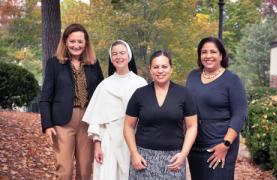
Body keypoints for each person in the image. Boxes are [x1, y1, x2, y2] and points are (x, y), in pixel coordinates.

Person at [39, 23, 104, 179]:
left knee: (85, 171)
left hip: (88, 122)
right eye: (72, 41)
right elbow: (45, 98)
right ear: (65, 42)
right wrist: (47, 125)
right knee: (65, 171)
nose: (76, 45)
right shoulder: (54, 64)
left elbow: (102, 95)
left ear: (86, 43)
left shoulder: (94, 64)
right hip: (62, 123)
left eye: (80, 41)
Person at [124, 50, 198, 180]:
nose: (160, 70)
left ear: (171, 69)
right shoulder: (139, 94)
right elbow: (128, 126)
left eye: (164, 66)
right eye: (156, 67)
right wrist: (134, 154)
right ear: (151, 70)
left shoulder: (184, 94)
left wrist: (183, 154)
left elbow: (192, 126)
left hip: (174, 160)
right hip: (143, 159)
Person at [82, 40, 147, 180]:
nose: (118, 57)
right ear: (111, 58)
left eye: (122, 53)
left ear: (129, 55)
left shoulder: (140, 83)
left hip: (133, 141)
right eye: (114, 54)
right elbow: (97, 121)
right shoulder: (104, 86)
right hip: (108, 141)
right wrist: (97, 146)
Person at [186, 36, 247, 180]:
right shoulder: (193, 76)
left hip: (219, 144)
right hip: (195, 143)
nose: (208, 56)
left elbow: (239, 115)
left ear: (221, 55)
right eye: (204, 52)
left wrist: (225, 144)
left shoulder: (232, 80)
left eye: (213, 52)